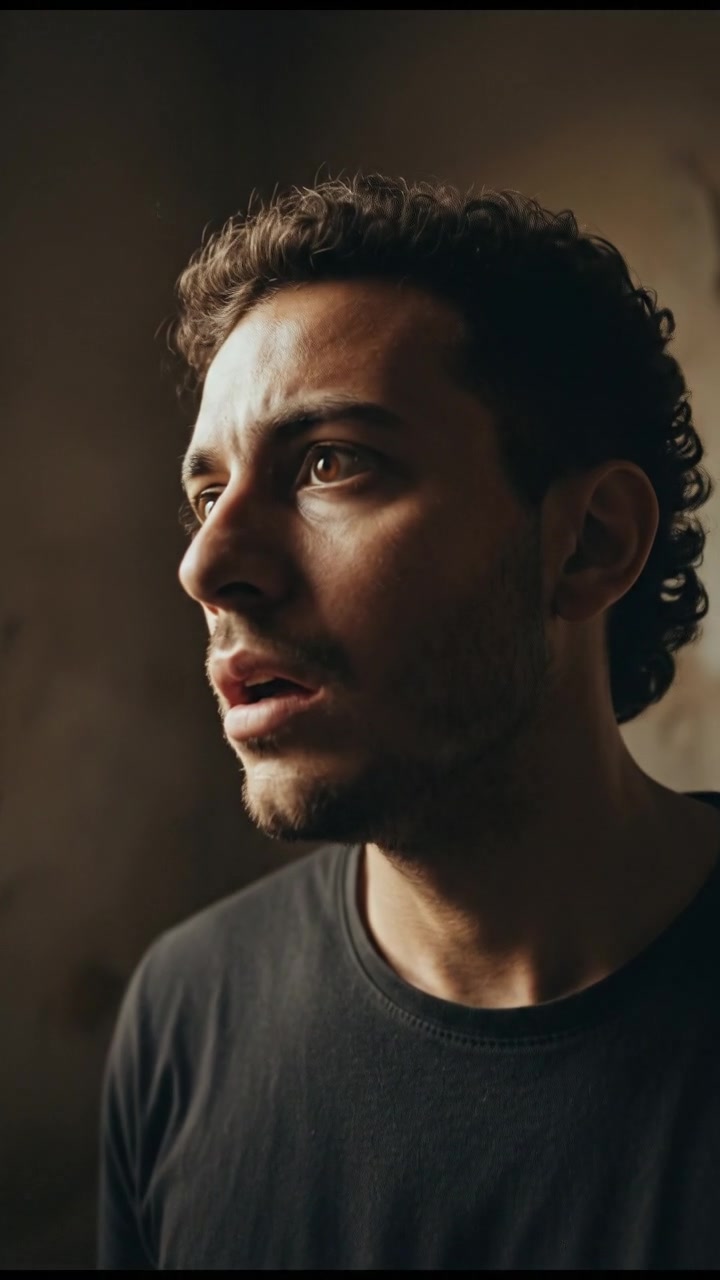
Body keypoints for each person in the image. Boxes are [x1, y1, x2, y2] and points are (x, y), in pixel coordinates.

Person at [98, 174, 720, 1270]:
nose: (207, 564)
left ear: (587, 544)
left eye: (332, 462)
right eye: (206, 494)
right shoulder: (182, 1013)